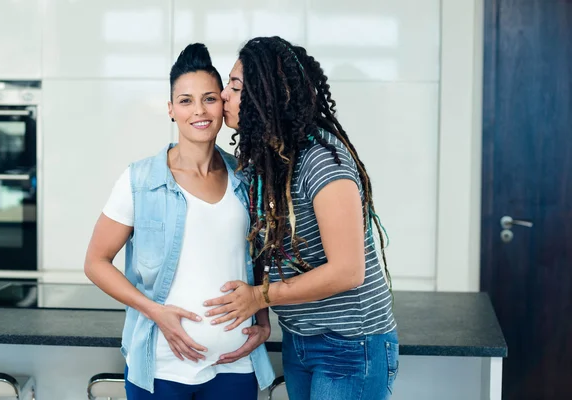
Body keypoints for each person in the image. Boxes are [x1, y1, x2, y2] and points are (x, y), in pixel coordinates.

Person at [205, 36, 399, 400]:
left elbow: (348, 271)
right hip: (301, 339)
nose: (224, 95)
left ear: (268, 96)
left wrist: (259, 297)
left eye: (234, 86)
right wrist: (262, 314)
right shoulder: (265, 163)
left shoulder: (321, 160)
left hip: (352, 345)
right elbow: (263, 248)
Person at [84, 42, 274, 400]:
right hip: (161, 365)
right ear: (171, 110)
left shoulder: (247, 177)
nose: (199, 111)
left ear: (223, 103)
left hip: (234, 364)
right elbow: (95, 262)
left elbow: (259, 255)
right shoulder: (140, 180)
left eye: (209, 98)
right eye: (185, 101)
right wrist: (155, 312)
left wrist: (262, 318)